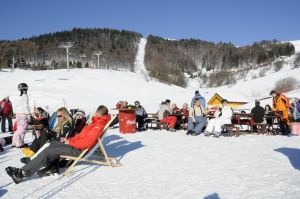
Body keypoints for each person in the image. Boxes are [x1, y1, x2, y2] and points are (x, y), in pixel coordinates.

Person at [5, 105, 111, 184]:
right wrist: (69, 139)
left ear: (99, 114)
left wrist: (70, 141)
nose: (94, 114)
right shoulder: (95, 123)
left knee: (50, 150)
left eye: (96, 113)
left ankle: (22, 173)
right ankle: (38, 164)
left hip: (79, 150)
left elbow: (86, 142)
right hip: (75, 145)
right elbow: (80, 137)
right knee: (52, 143)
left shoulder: (98, 125)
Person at [12, 83, 30, 147]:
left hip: (18, 114)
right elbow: (26, 106)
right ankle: (20, 143)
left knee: (18, 129)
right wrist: (29, 115)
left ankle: (14, 142)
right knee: (22, 129)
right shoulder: (25, 96)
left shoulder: (19, 96)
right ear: (25, 89)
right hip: (23, 114)